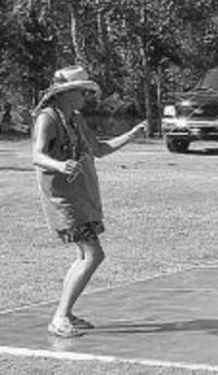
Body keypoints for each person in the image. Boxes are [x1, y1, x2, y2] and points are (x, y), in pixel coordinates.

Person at [31, 66, 147, 338]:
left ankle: (65, 313)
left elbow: (100, 149)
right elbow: (37, 156)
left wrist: (131, 135)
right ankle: (60, 317)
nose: (86, 95)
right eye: (82, 91)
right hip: (64, 199)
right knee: (94, 254)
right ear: (66, 93)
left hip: (83, 197)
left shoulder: (75, 118)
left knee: (85, 255)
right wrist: (59, 166)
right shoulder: (47, 118)